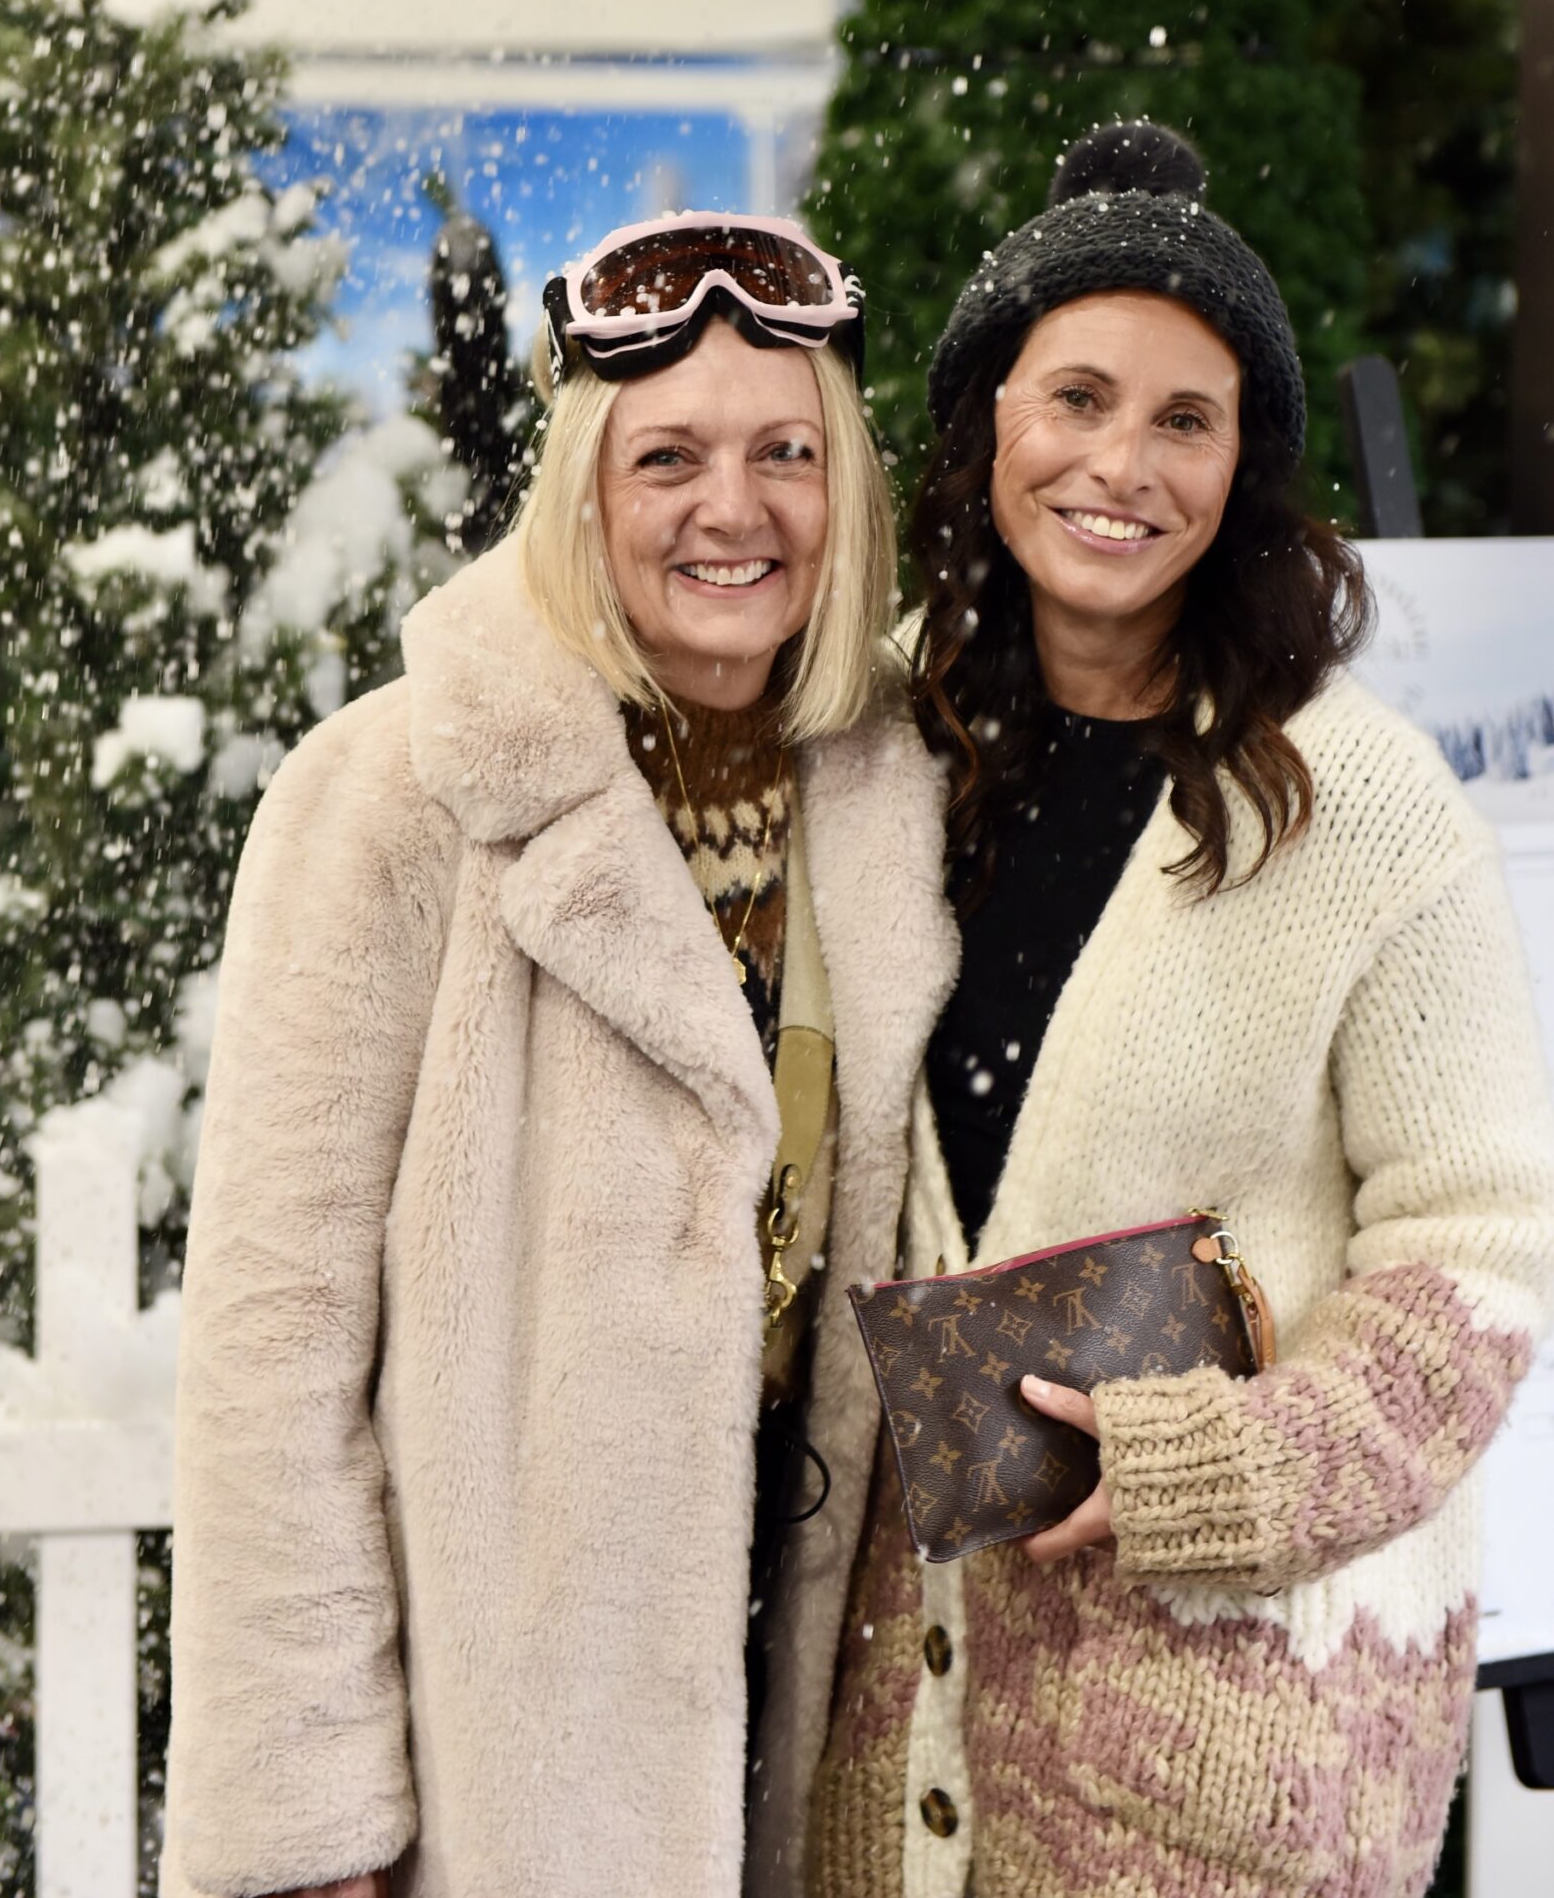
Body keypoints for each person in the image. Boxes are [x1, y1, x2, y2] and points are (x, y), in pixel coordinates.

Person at [783, 124, 1554, 1898]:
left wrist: (1220, 1468)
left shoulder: (1359, 807)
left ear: (1243, 466)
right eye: (1076, 398)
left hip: (1228, 1770)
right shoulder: (862, 753)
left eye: (1183, 419)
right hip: (886, 1763)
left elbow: (1482, 1250)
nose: (1119, 464)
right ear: (986, 421)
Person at [158, 212, 959, 1898]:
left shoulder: (898, 785)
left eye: (787, 452)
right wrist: (312, 1820)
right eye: (668, 456)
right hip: (515, 1729)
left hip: (811, 1678)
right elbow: (273, 1343)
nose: (733, 508)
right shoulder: (389, 795)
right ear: (581, 487)